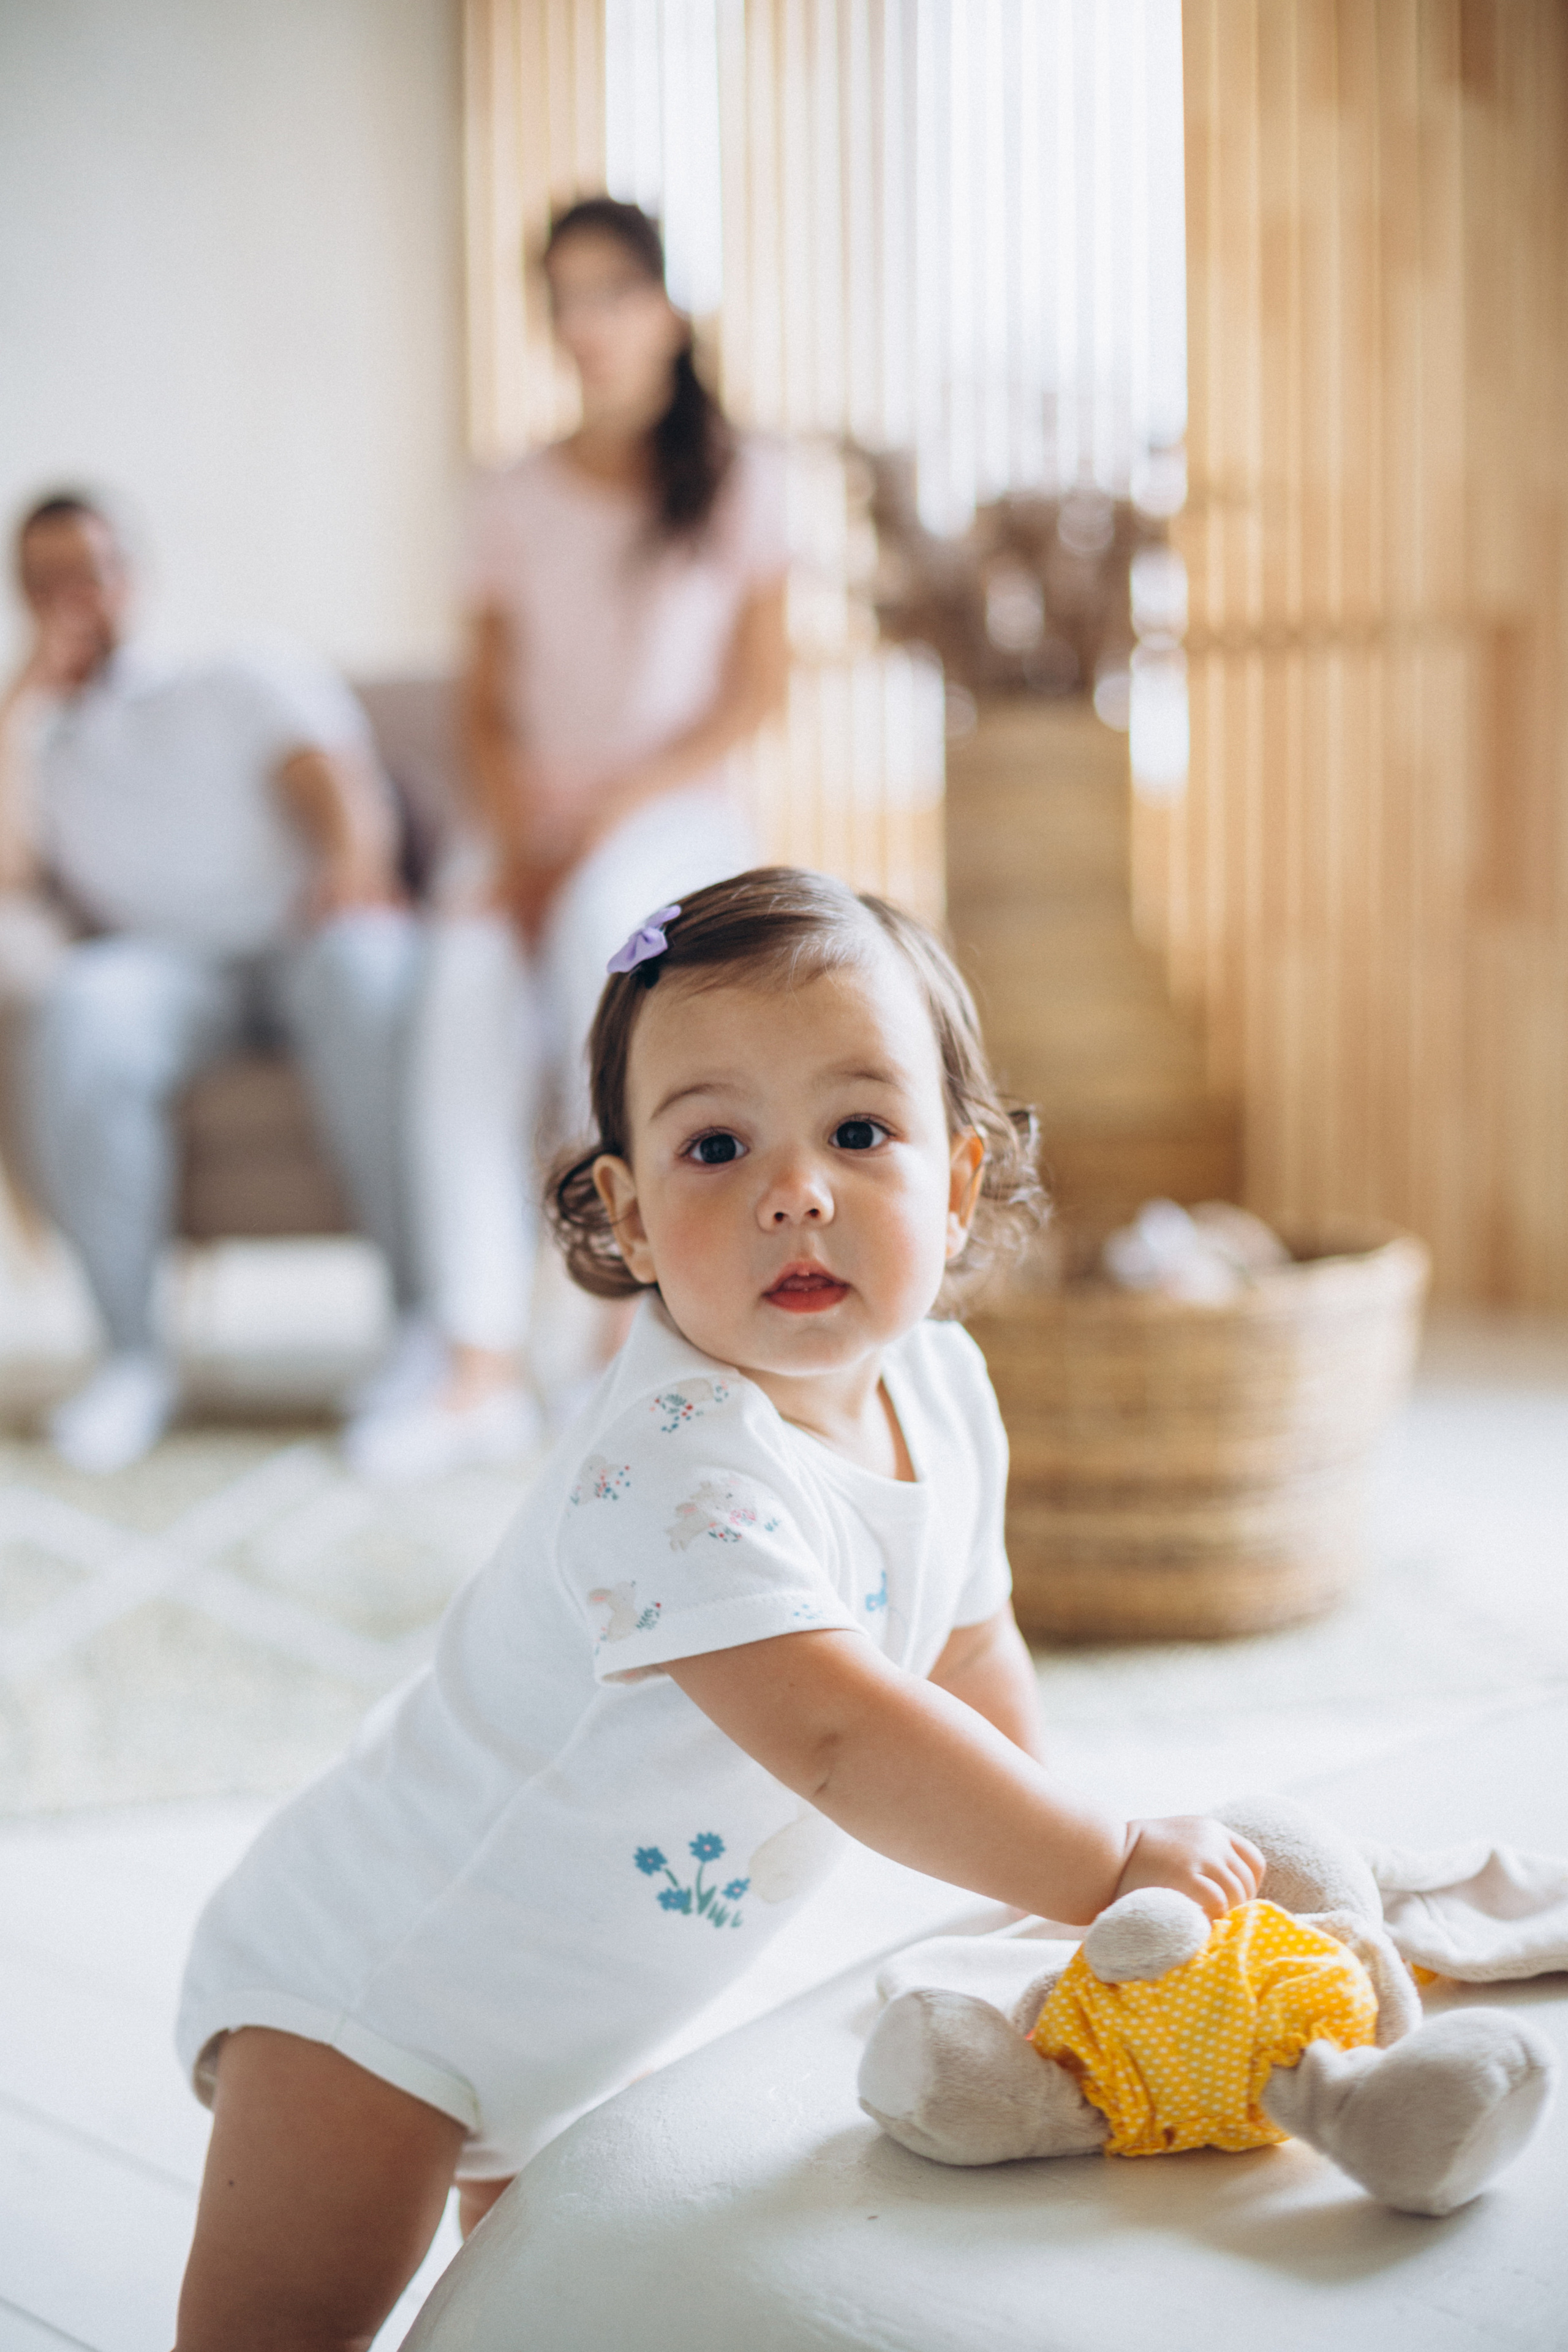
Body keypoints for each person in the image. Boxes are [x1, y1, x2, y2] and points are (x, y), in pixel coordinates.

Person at [174, 870, 1265, 2350]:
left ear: (953, 1187)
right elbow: (835, 1732)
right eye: (714, 1144)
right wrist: (1107, 1860)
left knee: (546, 2324)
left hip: (600, 2020)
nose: (793, 1190)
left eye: (859, 1132)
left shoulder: (939, 1391)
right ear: (625, 1213)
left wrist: (1032, 1902)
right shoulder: (677, 1468)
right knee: (283, 2331)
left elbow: (960, 1649)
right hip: (384, 1994)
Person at [345, 197, 789, 1480]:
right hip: (530, 824)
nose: (584, 325)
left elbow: (753, 695)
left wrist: (600, 823)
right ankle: (476, 1359)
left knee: (610, 940)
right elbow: (483, 705)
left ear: (665, 309)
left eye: (609, 293)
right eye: (562, 300)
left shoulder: (747, 480)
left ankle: (612, 1337)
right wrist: (521, 844)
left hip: (671, 822)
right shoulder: (508, 495)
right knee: (461, 978)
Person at [0, 491, 420, 1472]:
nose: (75, 600)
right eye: (45, 583)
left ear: (131, 578)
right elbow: (9, 874)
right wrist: (22, 703)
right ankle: (132, 1361)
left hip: (299, 938)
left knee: (370, 972)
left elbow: (335, 782)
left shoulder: (231, 676)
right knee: (81, 1013)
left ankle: (420, 1332)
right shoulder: (42, 747)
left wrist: (352, 879)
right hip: (167, 972)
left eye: (91, 573)